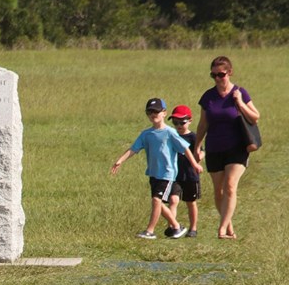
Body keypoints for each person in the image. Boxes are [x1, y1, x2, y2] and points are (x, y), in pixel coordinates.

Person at [111, 98, 204, 239]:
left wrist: (195, 164)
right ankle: (177, 227)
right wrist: (120, 160)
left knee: (156, 200)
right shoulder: (146, 134)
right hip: (153, 173)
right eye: (150, 112)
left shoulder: (170, 132)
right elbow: (134, 149)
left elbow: (185, 148)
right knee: (158, 203)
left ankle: (150, 231)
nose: (153, 114)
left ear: (164, 113)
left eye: (156, 111)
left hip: (167, 173)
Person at [194, 56, 260, 239]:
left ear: (229, 73)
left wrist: (239, 103)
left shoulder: (240, 92)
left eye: (221, 74)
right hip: (214, 147)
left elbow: (255, 117)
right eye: (213, 75)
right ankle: (228, 224)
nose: (217, 78)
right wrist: (196, 147)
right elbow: (202, 125)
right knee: (219, 191)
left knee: (230, 186)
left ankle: (221, 229)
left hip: (237, 148)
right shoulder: (208, 97)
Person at [164, 105, 203, 238]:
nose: (179, 125)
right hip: (174, 175)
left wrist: (200, 156)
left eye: (182, 122)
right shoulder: (171, 136)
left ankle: (193, 228)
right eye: (175, 122)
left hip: (191, 175)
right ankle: (173, 226)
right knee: (173, 200)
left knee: (190, 202)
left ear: (190, 121)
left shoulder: (193, 137)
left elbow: (201, 151)